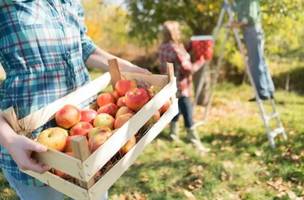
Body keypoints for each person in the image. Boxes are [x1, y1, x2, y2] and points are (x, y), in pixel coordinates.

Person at [0, 1, 149, 200]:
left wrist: (129, 68)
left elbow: (84, 47)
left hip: (89, 129)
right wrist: (8, 139)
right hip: (31, 144)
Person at [158, 21, 210, 153]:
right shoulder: (176, 48)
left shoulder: (163, 47)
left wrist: (188, 48)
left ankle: (173, 135)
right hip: (181, 86)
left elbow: (175, 60)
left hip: (169, 85)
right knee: (188, 112)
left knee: (175, 108)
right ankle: (194, 141)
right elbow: (187, 68)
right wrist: (200, 61)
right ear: (175, 33)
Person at [232, 0, 275, 101]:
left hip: (252, 30)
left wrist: (235, 25)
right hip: (253, 30)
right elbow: (238, 9)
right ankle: (268, 90)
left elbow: (247, 19)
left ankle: (262, 92)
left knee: (255, 62)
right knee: (261, 61)